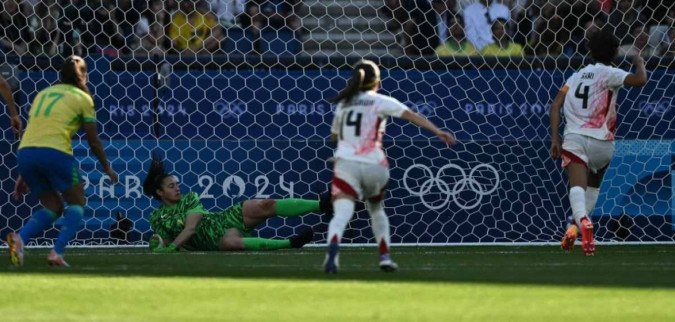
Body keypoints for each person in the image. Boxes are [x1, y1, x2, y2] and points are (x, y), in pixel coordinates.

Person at [324, 60, 456, 273]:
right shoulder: (381, 101)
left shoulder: (344, 103)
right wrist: (438, 131)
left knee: (342, 214)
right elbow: (411, 116)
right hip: (374, 164)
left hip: (346, 164)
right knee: (376, 209)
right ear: (377, 81)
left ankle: (332, 256)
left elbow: (334, 136)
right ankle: (384, 257)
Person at [6, 56, 119, 267]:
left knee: (54, 206)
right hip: (55, 152)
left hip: (25, 153)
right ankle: (56, 252)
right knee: (77, 202)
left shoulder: (43, 94)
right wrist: (107, 167)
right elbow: (93, 140)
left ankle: (20, 239)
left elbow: (35, 131)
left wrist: (23, 173)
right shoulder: (83, 98)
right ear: (84, 76)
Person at [549, 28, 647, 256]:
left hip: (575, 140)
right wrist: (640, 62)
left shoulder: (575, 77)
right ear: (614, 53)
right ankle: (574, 226)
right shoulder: (611, 73)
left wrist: (555, 139)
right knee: (592, 187)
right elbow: (640, 80)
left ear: (590, 52)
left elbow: (555, 105)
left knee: (577, 187)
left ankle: (582, 220)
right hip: (603, 143)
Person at [143, 155, 332, 252]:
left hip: (223, 220)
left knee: (264, 205)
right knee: (230, 243)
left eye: (177, 184)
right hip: (215, 241)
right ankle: (291, 243)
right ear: (159, 192)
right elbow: (165, 240)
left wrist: (171, 248)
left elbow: (191, 228)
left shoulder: (189, 198)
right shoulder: (156, 217)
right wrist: (159, 245)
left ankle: (322, 205)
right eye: (171, 186)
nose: (177, 188)